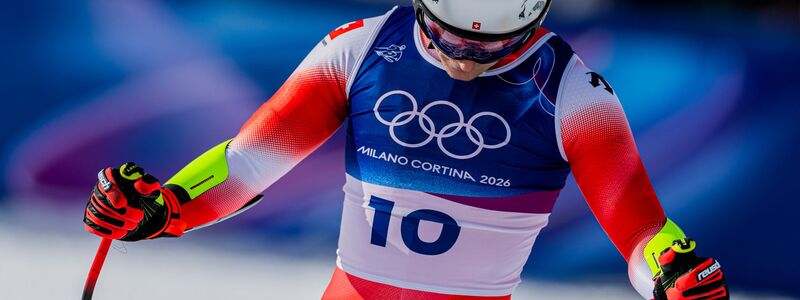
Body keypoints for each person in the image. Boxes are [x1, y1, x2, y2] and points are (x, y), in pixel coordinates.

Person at [83, 0, 729, 299]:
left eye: (490, 48)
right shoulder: (360, 48)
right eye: (451, 39)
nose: (465, 59)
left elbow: (642, 232)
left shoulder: (574, 94)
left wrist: (671, 272)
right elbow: (248, 163)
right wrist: (162, 206)